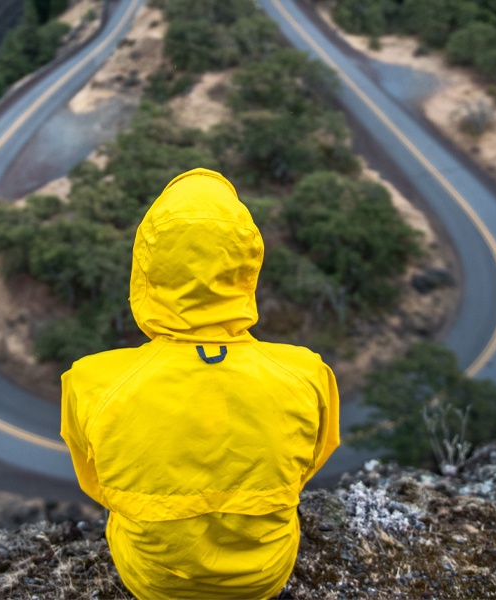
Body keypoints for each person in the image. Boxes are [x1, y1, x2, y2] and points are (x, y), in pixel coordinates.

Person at [60, 168, 340, 599]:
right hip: (263, 577)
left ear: (145, 270)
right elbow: (305, 469)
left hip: (153, 582)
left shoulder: (91, 382)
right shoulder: (307, 375)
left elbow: (98, 484)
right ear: (248, 266)